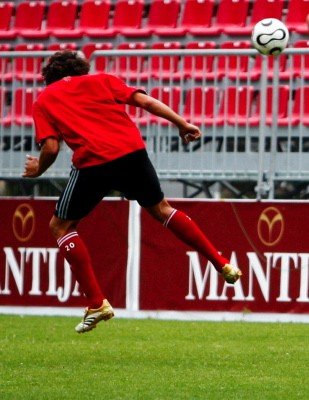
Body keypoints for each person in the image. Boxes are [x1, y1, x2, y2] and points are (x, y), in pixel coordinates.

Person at [22, 50, 242, 334]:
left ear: (48, 76)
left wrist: (38, 168)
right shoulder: (102, 80)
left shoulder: (44, 100)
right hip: (131, 153)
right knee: (162, 209)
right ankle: (222, 263)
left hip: (94, 162)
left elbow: (51, 148)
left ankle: (97, 302)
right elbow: (145, 101)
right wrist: (182, 123)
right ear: (81, 69)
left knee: (60, 226)